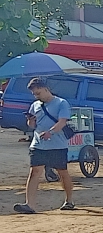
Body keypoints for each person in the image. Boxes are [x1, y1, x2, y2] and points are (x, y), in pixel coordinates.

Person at [16, 77, 77, 214]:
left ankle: (69, 200)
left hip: (57, 145)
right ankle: (29, 204)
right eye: (34, 94)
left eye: (38, 93)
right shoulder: (35, 105)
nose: (36, 96)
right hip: (38, 144)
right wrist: (30, 121)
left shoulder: (61, 103)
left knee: (62, 172)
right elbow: (32, 126)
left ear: (45, 89)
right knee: (34, 172)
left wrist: (50, 132)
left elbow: (62, 122)